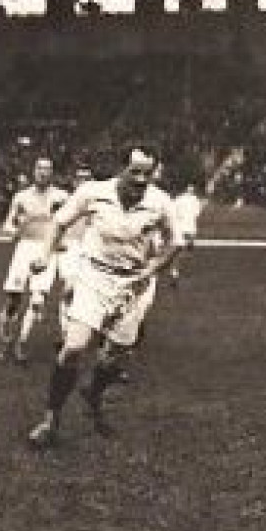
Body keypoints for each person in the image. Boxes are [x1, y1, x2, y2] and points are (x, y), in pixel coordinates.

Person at [27, 147, 178, 448]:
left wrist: (151, 270)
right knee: (73, 348)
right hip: (93, 276)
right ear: (120, 168)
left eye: (147, 173)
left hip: (132, 285)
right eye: (134, 171)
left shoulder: (160, 202)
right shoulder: (93, 192)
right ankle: (50, 420)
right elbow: (59, 223)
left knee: (113, 359)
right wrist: (44, 254)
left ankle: (93, 394)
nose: (141, 179)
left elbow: (175, 241)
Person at [0, 157, 70, 363]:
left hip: (46, 250)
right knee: (13, 299)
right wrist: (15, 229)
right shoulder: (21, 197)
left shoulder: (61, 196)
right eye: (39, 168)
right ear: (33, 171)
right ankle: (5, 340)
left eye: (47, 169)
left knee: (37, 300)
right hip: (24, 249)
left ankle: (22, 343)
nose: (43, 172)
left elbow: (70, 223)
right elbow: (7, 225)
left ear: (52, 173)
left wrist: (62, 241)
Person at [55, 165, 97, 333]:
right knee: (69, 289)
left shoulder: (97, 203)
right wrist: (57, 242)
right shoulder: (65, 201)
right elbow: (55, 224)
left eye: (87, 178)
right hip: (70, 249)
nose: (83, 182)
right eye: (80, 178)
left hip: (91, 251)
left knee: (87, 292)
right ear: (74, 181)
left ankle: (80, 330)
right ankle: (65, 332)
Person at [167, 181, 205, 284]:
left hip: (186, 227)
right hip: (186, 227)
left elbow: (173, 212)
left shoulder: (184, 199)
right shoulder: (190, 200)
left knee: (185, 249)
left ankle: (175, 269)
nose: (191, 189)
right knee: (183, 250)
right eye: (190, 187)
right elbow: (197, 213)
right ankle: (174, 270)